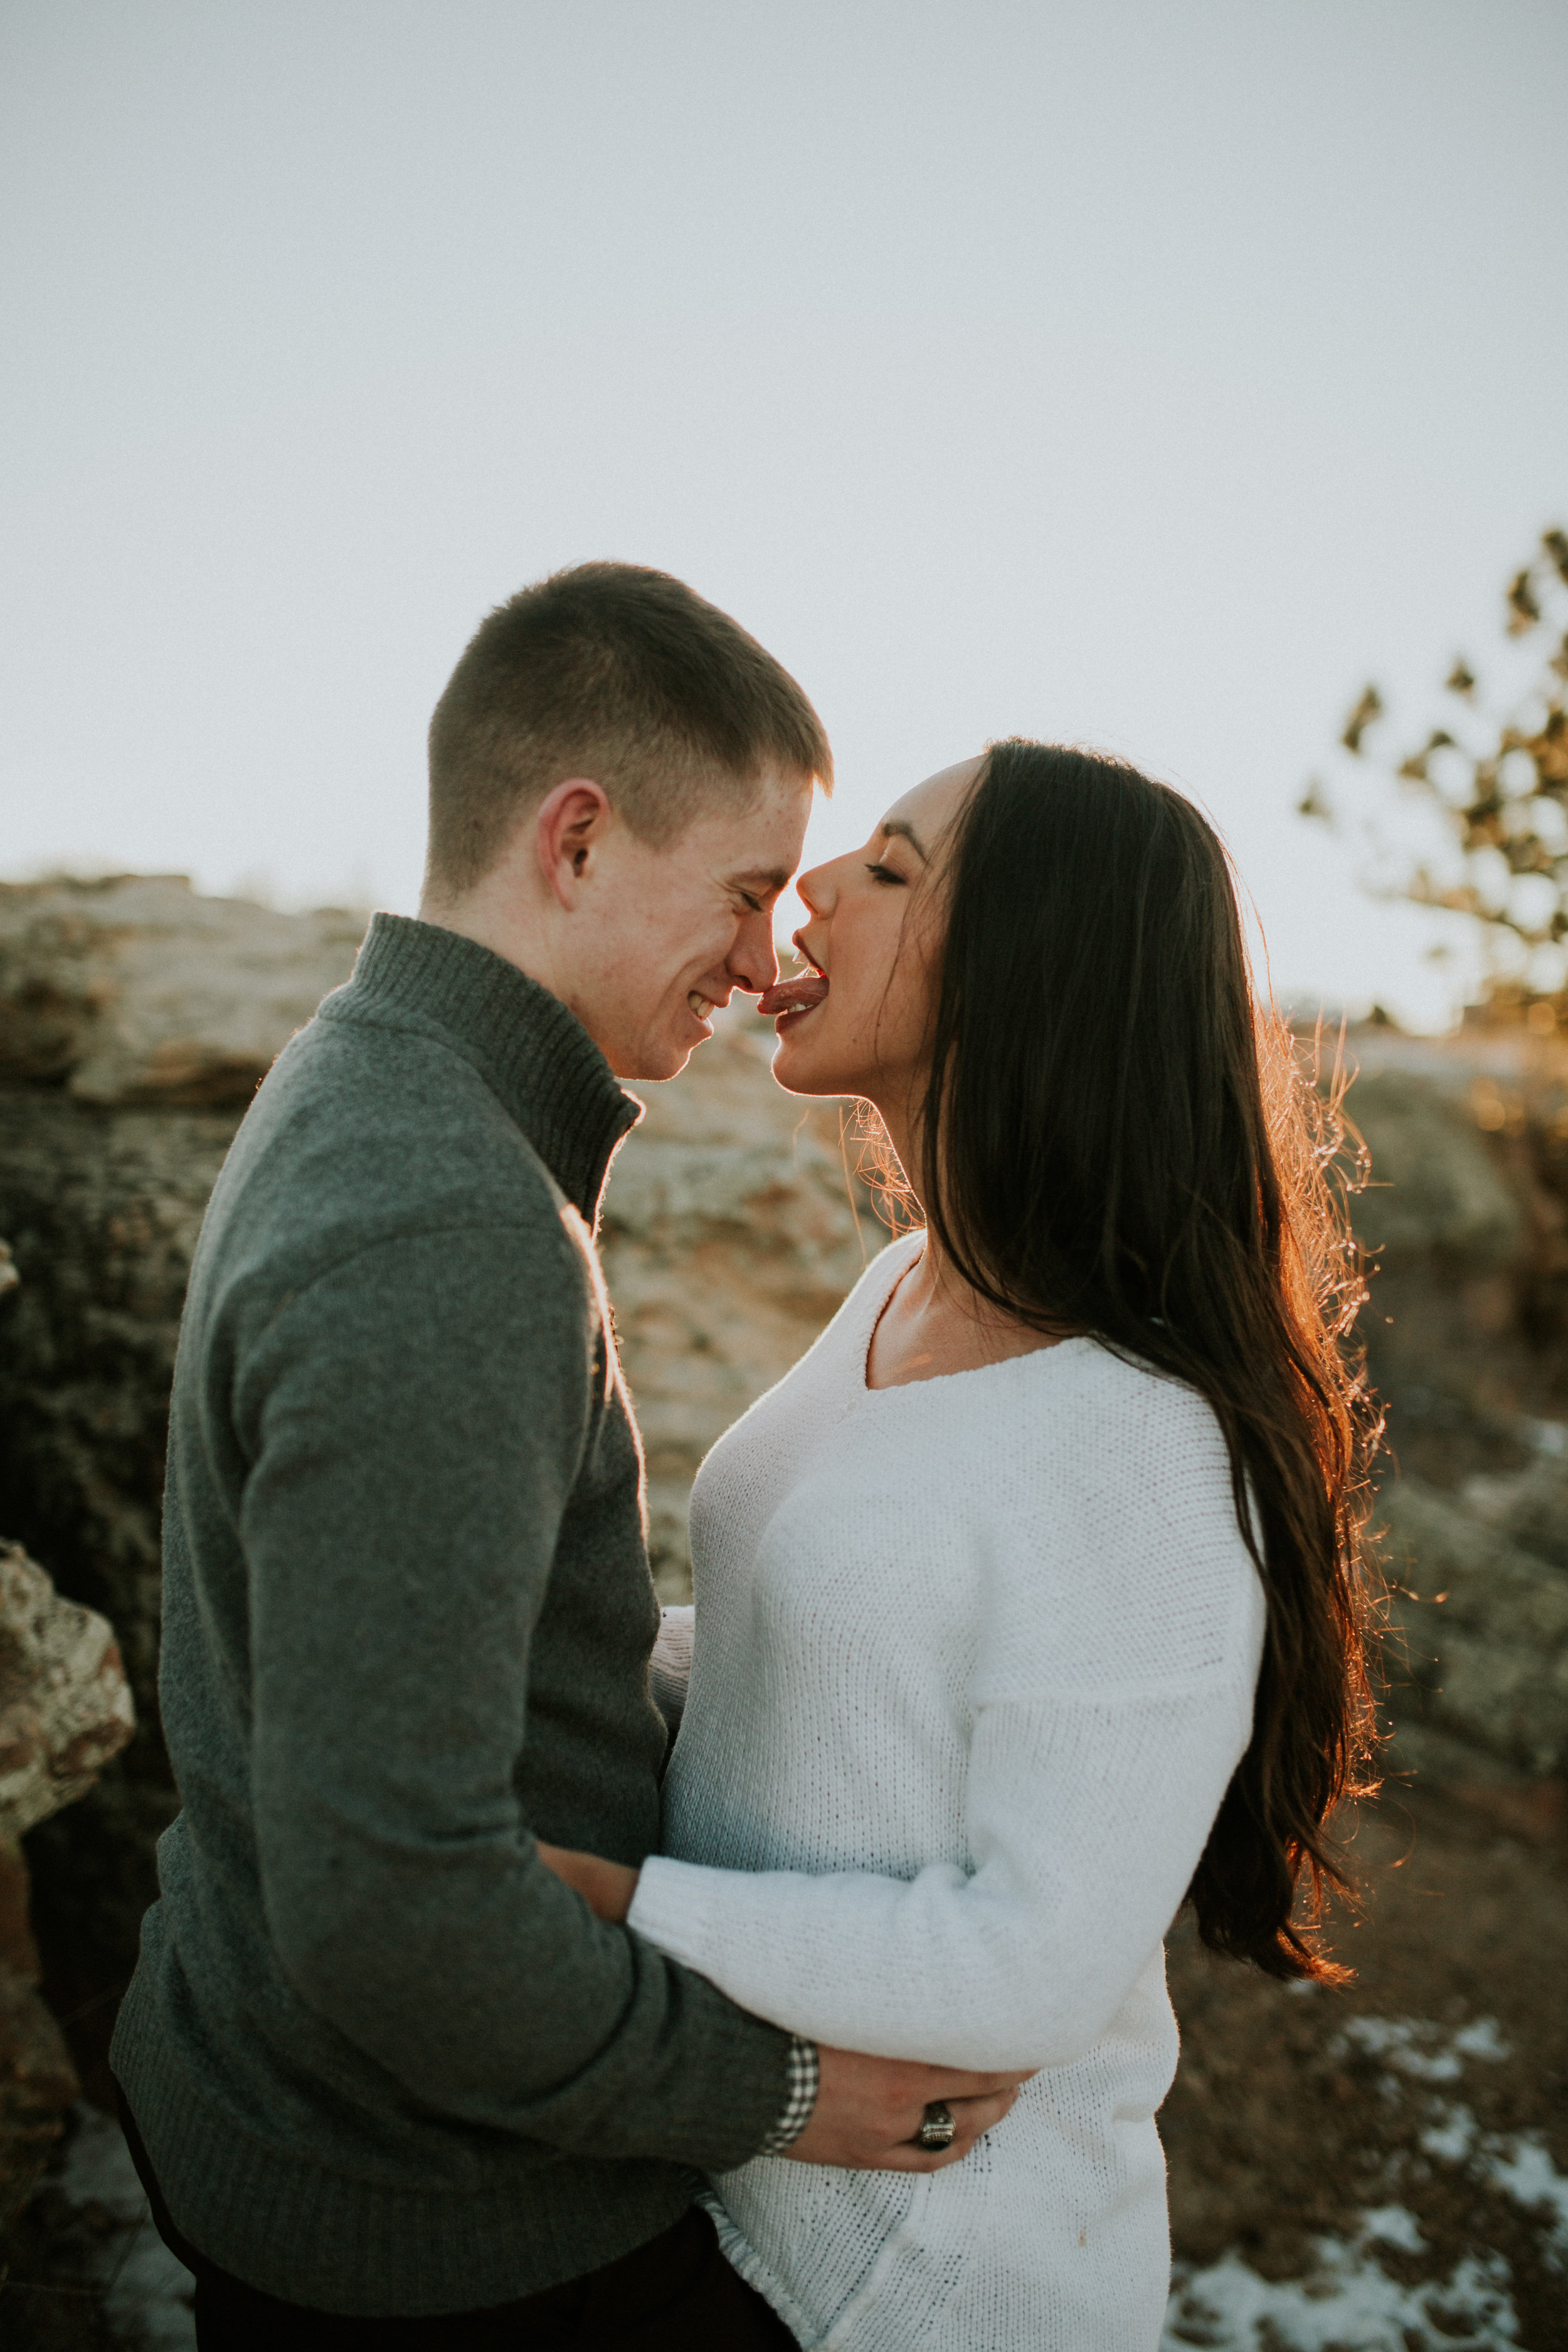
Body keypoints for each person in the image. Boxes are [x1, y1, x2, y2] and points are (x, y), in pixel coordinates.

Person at [109, 564, 1026, 2348]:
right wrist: (777, 2089)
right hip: (437, 2220)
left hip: (331, 2116)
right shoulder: (444, 1220)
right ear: (579, 838)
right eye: (750, 890)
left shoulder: (376, 1070)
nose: (774, 957)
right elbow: (389, 1899)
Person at [539, 739, 1380, 2349]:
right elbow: (796, 1660)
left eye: (892, 868)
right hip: (730, 2174)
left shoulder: (1141, 1440)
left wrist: (618, 1904)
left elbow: (1028, 1969)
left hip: (914, 2284)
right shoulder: (904, 1286)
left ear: (1032, 964)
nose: (812, 889)